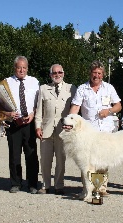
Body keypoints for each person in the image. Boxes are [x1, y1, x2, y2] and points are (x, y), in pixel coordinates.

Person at [69, 60, 122, 195]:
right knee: (86, 161)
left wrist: (109, 111)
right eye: (94, 73)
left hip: (106, 131)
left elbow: (118, 106)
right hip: (88, 133)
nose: (96, 76)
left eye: (99, 73)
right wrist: (70, 120)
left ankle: (101, 188)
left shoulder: (109, 88)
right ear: (90, 73)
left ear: (103, 75)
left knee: (103, 161)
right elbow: (75, 107)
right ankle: (87, 188)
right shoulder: (82, 88)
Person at [0, 56, 40, 194]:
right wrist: (7, 113)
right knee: (14, 154)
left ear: (27, 68)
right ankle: (16, 183)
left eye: (24, 67)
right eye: (19, 67)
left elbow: (39, 103)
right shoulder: (6, 83)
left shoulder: (34, 81)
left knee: (31, 154)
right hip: (13, 123)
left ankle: (32, 184)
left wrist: (33, 114)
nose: (22, 70)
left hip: (30, 123)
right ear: (15, 68)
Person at [35, 64, 76, 195]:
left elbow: (74, 110)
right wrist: (37, 126)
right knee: (45, 161)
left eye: (59, 72)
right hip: (46, 130)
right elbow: (39, 110)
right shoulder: (43, 89)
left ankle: (59, 185)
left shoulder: (71, 88)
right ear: (50, 75)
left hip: (63, 131)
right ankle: (45, 185)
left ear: (63, 73)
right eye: (54, 73)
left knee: (60, 161)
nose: (57, 75)